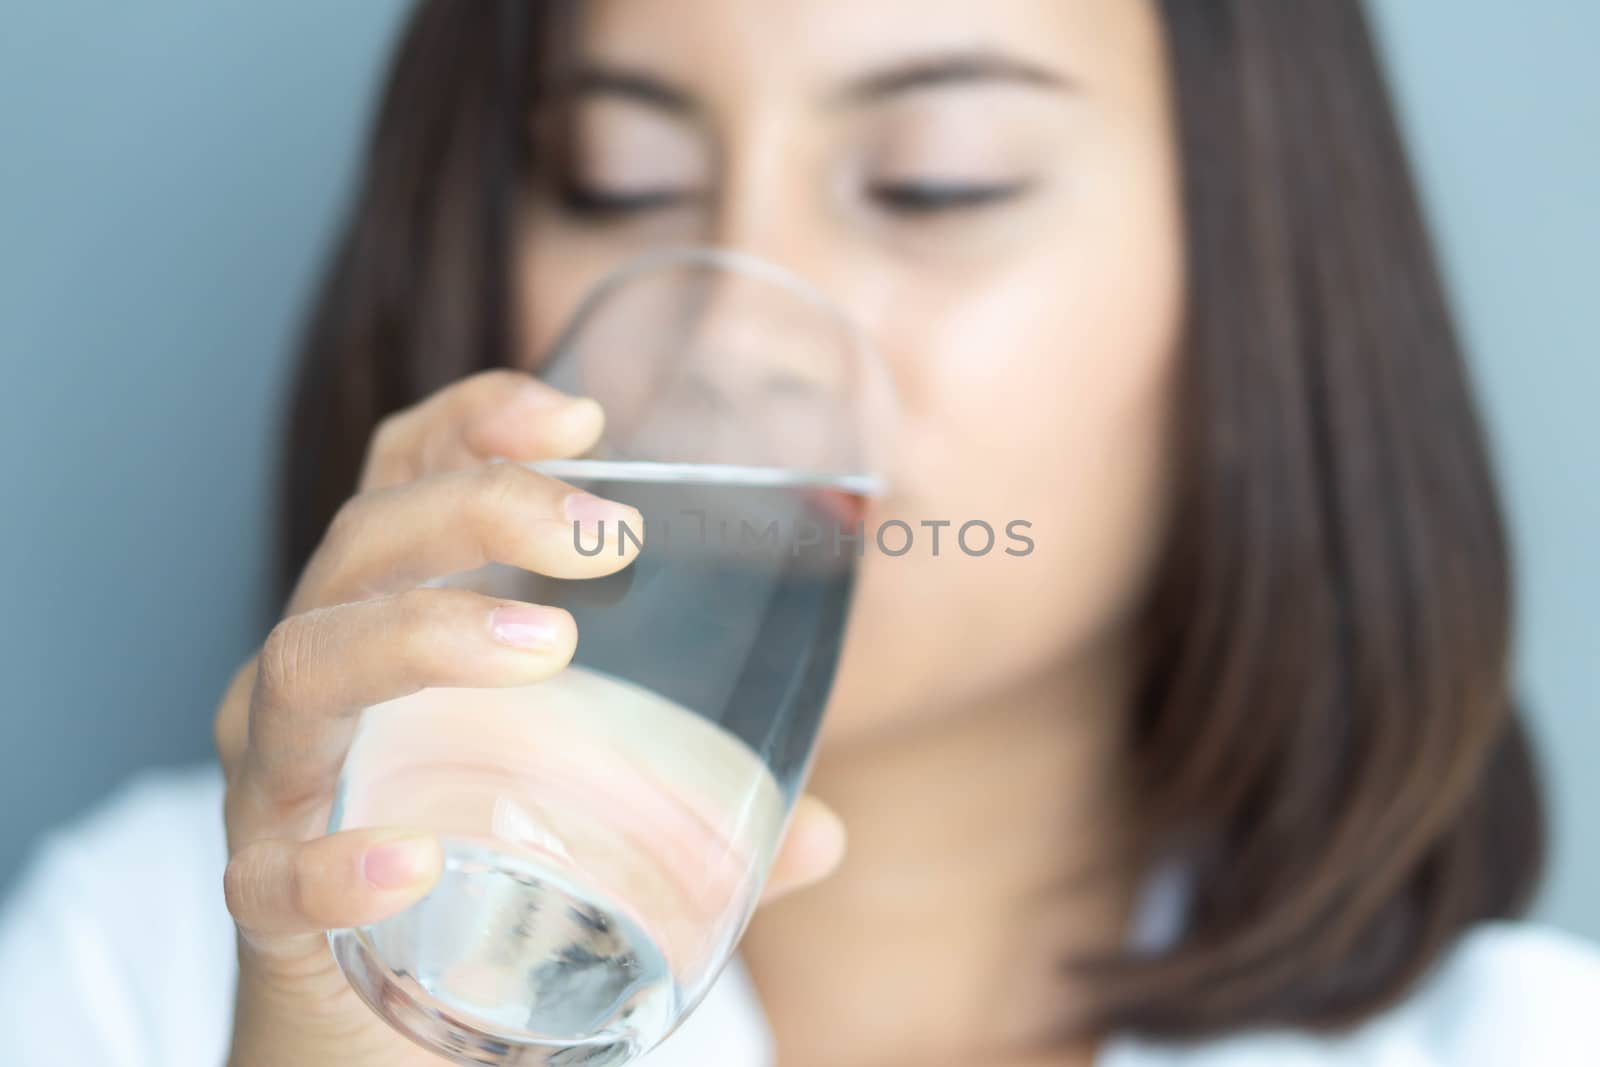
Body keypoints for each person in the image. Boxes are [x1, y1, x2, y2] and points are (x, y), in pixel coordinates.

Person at [2, 1, 1597, 1064]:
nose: (731, 333)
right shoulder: (172, 958)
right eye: (616, 181)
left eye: (936, 182)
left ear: (1267, 271)